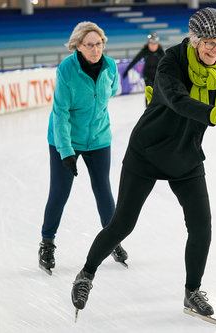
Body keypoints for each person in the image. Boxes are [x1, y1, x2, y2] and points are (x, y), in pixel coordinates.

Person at [71, 8, 216, 324]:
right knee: (122, 225)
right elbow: (178, 101)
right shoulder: (171, 61)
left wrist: (215, 112)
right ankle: (86, 274)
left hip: (186, 156)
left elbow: (202, 114)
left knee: (202, 227)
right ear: (195, 39)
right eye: (210, 43)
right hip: (147, 153)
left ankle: (192, 291)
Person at [39, 21, 128, 275]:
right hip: (64, 138)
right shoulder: (67, 70)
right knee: (59, 192)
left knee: (103, 190)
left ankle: (112, 240)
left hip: (99, 138)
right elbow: (60, 113)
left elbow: (112, 90)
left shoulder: (110, 66)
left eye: (99, 44)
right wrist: (66, 152)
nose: (96, 49)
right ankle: (47, 242)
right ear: (78, 46)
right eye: (90, 45)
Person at [122, 32, 165, 104]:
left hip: (157, 75)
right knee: (149, 91)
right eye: (151, 44)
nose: (153, 46)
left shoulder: (160, 52)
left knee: (157, 92)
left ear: (158, 44)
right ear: (148, 44)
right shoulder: (145, 51)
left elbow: (167, 62)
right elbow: (135, 60)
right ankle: (148, 109)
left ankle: (157, 108)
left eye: (155, 45)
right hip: (147, 75)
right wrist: (127, 70)